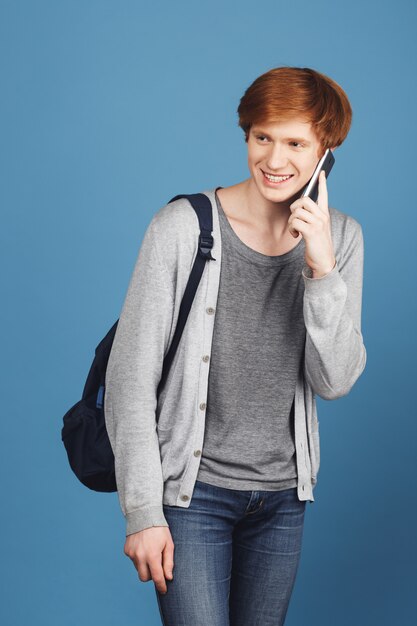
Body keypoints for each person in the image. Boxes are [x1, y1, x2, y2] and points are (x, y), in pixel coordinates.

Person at [104, 66, 367, 626]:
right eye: (262, 137)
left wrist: (321, 270)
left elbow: (336, 380)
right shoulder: (181, 228)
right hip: (190, 497)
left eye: (296, 143)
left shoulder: (341, 237)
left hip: (282, 500)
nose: (275, 160)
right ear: (246, 135)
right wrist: (143, 512)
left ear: (326, 150)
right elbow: (129, 378)